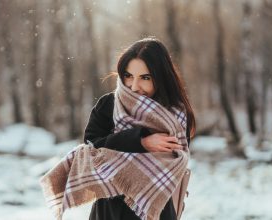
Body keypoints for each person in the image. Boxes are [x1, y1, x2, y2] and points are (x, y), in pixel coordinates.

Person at [83, 37, 196, 220]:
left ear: (160, 77)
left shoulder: (175, 114)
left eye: (145, 78)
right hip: (111, 212)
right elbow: (90, 153)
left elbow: (173, 164)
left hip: (156, 212)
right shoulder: (109, 105)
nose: (134, 86)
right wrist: (140, 142)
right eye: (129, 76)